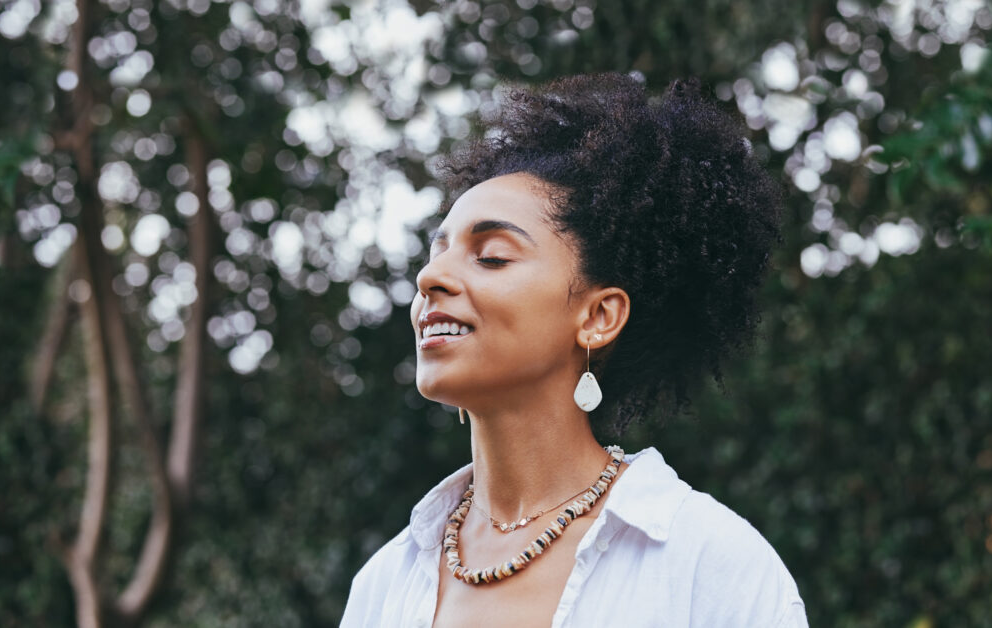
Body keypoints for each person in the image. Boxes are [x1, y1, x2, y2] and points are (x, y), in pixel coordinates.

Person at [341, 73, 807, 627]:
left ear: (597, 317)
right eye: (436, 251)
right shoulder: (385, 583)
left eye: (490, 256)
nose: (430, 277)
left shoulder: (709, 563)